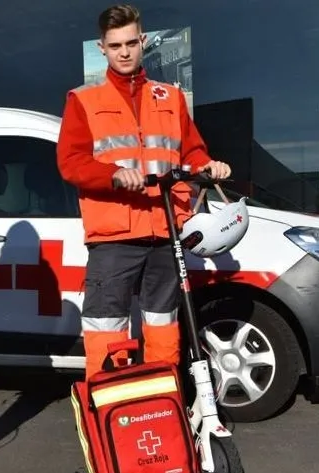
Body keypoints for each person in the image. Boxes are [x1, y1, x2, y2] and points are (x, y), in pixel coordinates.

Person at [56, 4, 232, 380]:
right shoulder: (83, 100)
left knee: (163, 326)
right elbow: (71, 163)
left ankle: (162, 406)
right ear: (101, 47)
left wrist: (208, 166)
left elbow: (192, 152)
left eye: (131, 43)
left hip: (166, 228)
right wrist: (115, 175)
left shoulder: (170, 98)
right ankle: (108, 412)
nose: (124, 52)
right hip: (114, 236)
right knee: (106, 330)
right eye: (115, 44)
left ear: (144, 41)